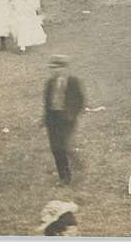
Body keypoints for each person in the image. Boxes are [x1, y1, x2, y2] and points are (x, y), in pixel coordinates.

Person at [43, 55, 85, 185]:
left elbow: (80, 100)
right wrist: (45, 118)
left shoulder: (73, 82)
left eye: (56, 68)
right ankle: (64, 177)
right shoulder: (50, 83)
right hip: (53, 119)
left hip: (67, 119)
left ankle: (76, 163)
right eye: (52, 68)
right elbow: (47, 102)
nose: (53, 71)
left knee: (63, 145)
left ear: (64, 68)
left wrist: (73, 114)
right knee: (55, 148)